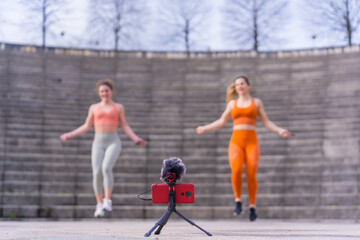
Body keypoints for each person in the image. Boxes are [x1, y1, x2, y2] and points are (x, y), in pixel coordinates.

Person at [196, 76, 291, 221]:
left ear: (248, 85)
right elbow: (222, 121)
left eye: (242, 84)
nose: (239, 86)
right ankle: (238, 200)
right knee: (237, 169)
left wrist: (279, 130)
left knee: (251, 172)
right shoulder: (232, 104)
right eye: (237, 85)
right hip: (236, 142)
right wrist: (204, 128)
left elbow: (266, 121)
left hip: (251, 142)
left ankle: (252, 207)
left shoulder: (256, 102)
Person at [60, 79, 147, 217]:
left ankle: (108, 200)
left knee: (106, 167)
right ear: (98, 93)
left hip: (113, 141)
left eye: (106, 91)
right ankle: (99, 204)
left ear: (111, 91)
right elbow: (86, 126)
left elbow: (124, 125)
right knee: (96, 172)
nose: (104, 93)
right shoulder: (94, 108)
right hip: (98, 142)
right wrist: (70, 134)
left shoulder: (118, 107)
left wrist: (135, 138)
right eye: (102, 91)